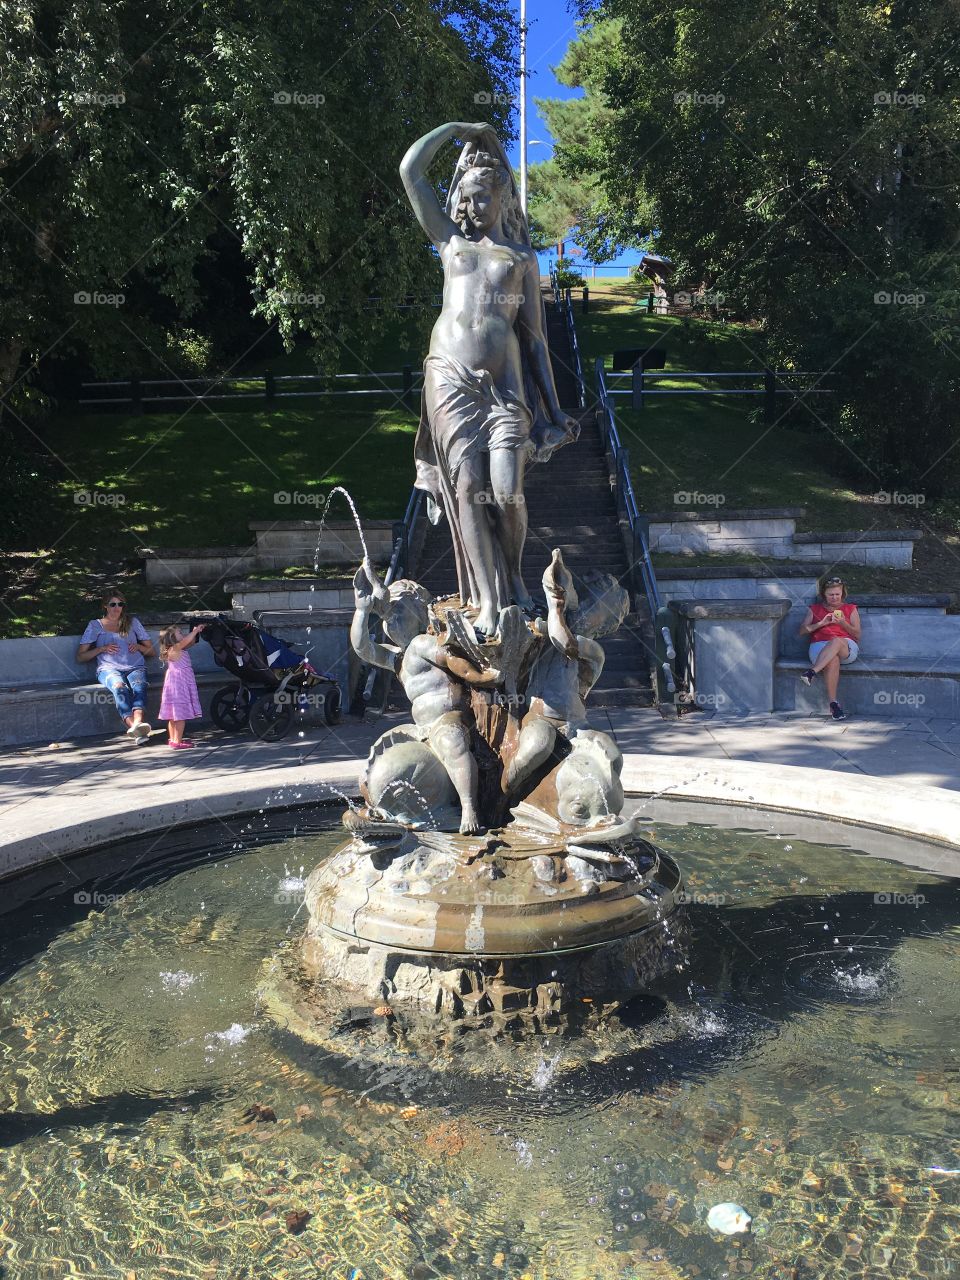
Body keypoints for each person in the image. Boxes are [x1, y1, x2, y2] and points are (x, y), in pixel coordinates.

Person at [400, 121, 580, 636]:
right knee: (469, 487)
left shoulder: (522, 259)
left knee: (506, 494)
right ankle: (485, 599)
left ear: (502, 200)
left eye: (484, 198)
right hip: (449, 379)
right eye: (468, 198)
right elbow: (410, 171)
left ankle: (517, 580)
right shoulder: (450, 244)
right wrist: (455, 130)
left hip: (505, 390)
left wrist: (554, 408)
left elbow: (537, 341)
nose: (474, 208)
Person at [76, 589, 156, 742]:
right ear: (105, 606)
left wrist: (138, 647)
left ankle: (137, 724)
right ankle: (135, 728)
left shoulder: (132, 622)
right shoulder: (95, 625)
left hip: (135, 666)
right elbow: (80, 657)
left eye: (120, 604)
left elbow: (152, 651)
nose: (116, 607)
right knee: (119, 687)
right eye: (112, 604)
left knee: (139, 686)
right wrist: (101, 649)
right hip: (108, 668)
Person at [797, 575, 861, 720]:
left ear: (842, 593)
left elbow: (857, 634)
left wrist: (843, 623)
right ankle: (834, 704)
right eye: (831, 595)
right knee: (833, 659)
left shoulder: (850, 609)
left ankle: (812, 672)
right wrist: (822, 623)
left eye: (837, 594)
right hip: (820, 649)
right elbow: (801, 631)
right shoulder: (815, 609)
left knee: (836, 641)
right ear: (824, 595)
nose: (834, 598)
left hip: (846, 646)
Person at [158, 622, 207, 748]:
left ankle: (173, 740)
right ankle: (177, 742)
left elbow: (190, 642)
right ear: (172, 638)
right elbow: (187, 640)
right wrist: (195, 631)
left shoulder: (177, 649)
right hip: (180, 685)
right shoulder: (175, 648)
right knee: (179, 715)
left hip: (175, 684)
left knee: (172, 716)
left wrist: (197, 632)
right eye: (179, 632)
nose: (182, 634)